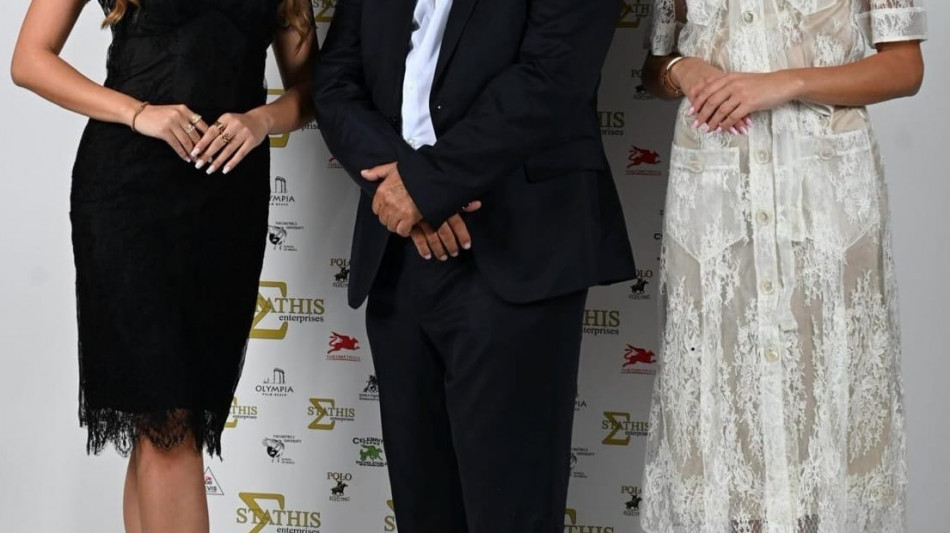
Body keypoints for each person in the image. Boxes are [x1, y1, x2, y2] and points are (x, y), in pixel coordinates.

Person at [312, 0, 636, 531]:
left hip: (516, 249)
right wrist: (404, 189)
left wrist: (427, 187)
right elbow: (334, 79)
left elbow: (555, 75)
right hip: (398, 256)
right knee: (422, 511)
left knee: (511, 513)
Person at [10, 1, 316, 531]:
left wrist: (261, 119)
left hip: (229, 202)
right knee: (167, 418)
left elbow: (313, 88)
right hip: (130, 194)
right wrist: (136, 111)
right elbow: (29, 59)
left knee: (169, 423)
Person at [640, 0, 925, 531]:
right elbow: (656, 65)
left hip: (822, 201)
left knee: (829, 430)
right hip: (717, 201)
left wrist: (786, 83)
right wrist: (683, 69)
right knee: (720, 435)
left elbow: (905, 68)